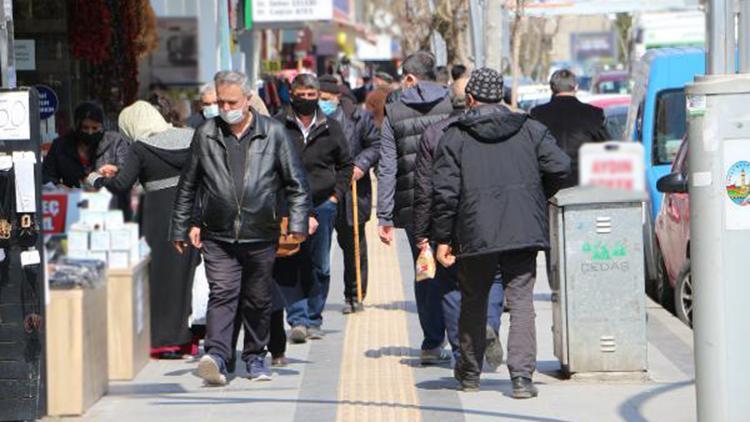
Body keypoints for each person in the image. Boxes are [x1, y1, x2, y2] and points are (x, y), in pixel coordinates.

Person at [431, 67, 571, 398]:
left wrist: (442, 239)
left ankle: (469, 373)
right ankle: (522, 378)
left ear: (470, 98)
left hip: (474, 230)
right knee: (521, 301)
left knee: (474, 300)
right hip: (523, 227)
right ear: (503, 98)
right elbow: (560, 167)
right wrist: (536, 194)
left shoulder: (455, 136)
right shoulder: (531, 130)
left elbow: (445, 194)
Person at [170, 70, 310, 385]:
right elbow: (188, 185)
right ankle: (217, 356)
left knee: (258, 298)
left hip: (261, 232)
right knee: (222, 293)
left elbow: (296, 183)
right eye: (220, 101)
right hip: (217, 233)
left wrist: (298, 222)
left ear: (248, 99)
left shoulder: (272, 133)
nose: (224, 107)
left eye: (231, 101)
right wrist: (182, 226)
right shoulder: (206, 133)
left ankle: (255, 356)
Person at [87, 101, 198, 359]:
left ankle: (163, 340)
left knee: (159, 279)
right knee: (185, 277)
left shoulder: (140, 147)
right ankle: (185, 338)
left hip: (158, 216)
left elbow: (122, 185)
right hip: (190, 211)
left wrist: (96, 178)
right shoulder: (191, 137)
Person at [413, 69, 505, 370]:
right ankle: (489, 324)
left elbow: (426, 188)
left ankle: (461, 354)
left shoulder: (436, 133)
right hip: (495, 217)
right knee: (493, 277)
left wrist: (425, 233)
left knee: (451, 286)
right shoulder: (508, 126)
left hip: (451, 219)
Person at [376, 51, 454, 364]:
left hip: (412, 206)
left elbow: (387, 165)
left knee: (425, 269)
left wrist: (383, 214)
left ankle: (432, 343)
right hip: (451, 199)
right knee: (455, 265)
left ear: (409, 78)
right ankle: (462, 337)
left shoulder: (394, 109)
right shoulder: (452, 104)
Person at [275, 73, 353, 343]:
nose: (306, 100)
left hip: (323, 204)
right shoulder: (277, 126)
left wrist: (335, 197)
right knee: (288, 259)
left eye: (312, 96)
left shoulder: (331, 127)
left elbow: (345, 165)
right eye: (301, 95)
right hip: (288, 204)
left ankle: (313, 317)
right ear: (291, 93)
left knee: (319, 263)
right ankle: (297, 317)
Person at [318, 75, 380, 313]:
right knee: (317, 249)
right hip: (321, 190)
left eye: (326, 98)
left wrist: (361, 165)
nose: (322, 103)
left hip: (352, 191)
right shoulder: (310, 119)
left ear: (337, 97)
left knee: (353, 244)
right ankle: (314, 303)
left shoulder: (359, 118)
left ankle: (354, 294)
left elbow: (374, 145)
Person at [530, 69, 609, 188]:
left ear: (552, 88)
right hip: (584, 186)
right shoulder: (594, 114)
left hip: (548, 185)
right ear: (575, 87)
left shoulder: (537, 114)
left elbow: (530, 150)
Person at [43, 101, 129, 188]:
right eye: (85, 128)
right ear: (76, 126)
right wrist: (58, 186)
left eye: (95, 128)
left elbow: (129, 173)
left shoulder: (115, 142)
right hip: (72, 198)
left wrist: (116, 170)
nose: (90, 132)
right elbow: (46, 175)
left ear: (101, 126)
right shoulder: (60, 145)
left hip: (107, 197)